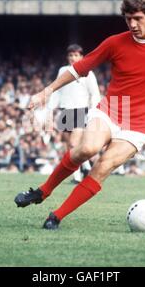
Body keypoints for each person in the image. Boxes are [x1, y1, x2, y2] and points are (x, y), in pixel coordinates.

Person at [15, 0, 145, 230]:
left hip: (138, 123)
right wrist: (48, 91)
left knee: (103, 166)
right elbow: (80, 67)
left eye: (137, 18)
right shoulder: (115, 42)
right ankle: (42, 191)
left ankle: (56, 216)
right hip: (113, 107)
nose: (132, 24)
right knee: (86, 149)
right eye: (128, 18)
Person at [48, 44, 101, 184]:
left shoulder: (88, 72)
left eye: (76, 55)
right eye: (71, 55)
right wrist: (51, 108)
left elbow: (94, 93)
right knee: (69, 147)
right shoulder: (63, 71)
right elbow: (58, 90)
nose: (73, 58)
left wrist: (93, 110)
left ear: (82, 57)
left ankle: (78, 176)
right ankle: (84, 168)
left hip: (81, 110)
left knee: (73, 144)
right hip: (65, 110)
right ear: (67, 57)